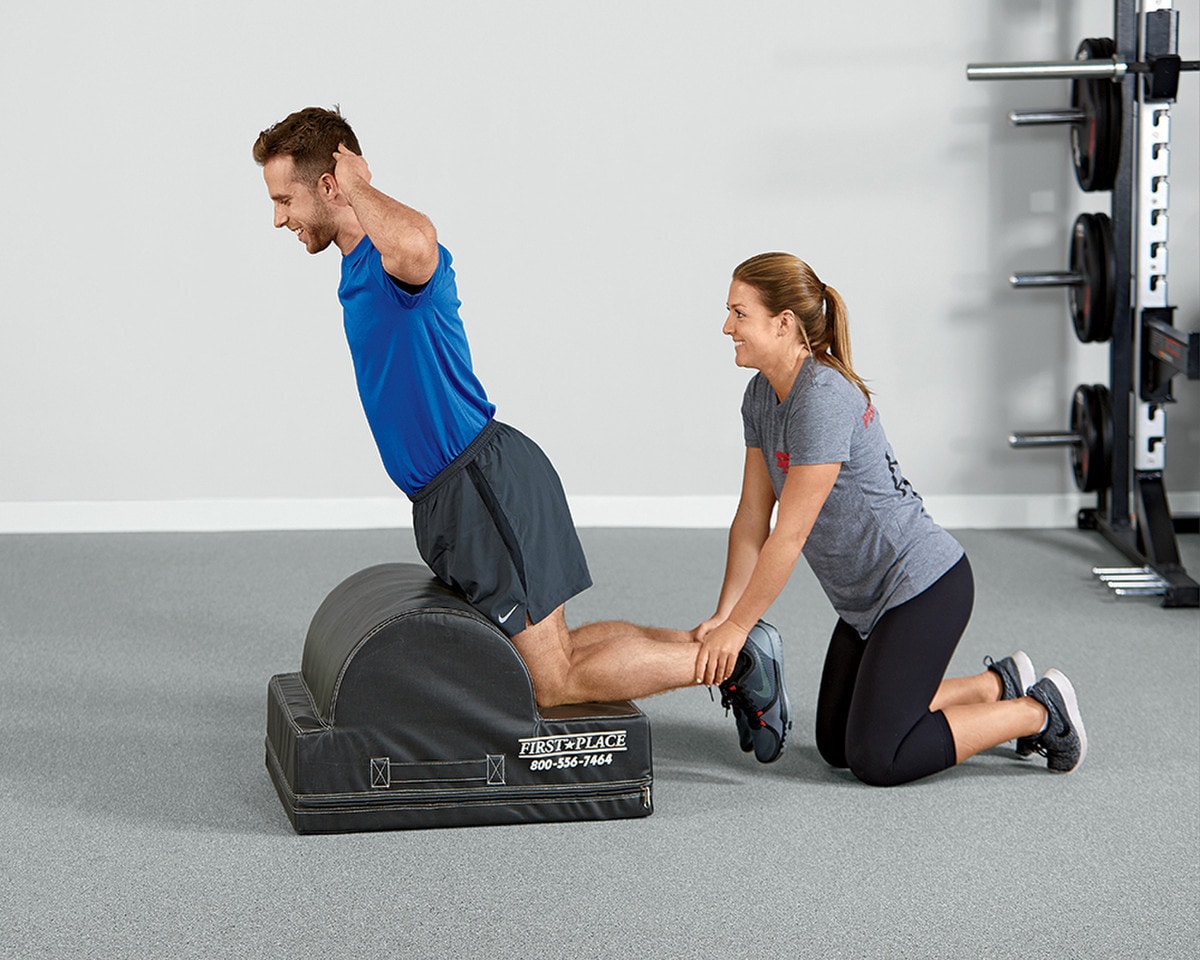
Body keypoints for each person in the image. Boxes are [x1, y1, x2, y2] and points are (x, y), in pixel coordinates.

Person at [250, 106, 790, 757]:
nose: (280, 217)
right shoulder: (362, 264)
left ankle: (737, 663)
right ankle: (732, 648)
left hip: (482, 489)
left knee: (550, 680)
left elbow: (421, 241)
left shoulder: (398, 261)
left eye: (286, 199)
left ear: (330, 185)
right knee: (559, 652)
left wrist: (357, 183)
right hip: (460, 496)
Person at [704, 252, 1087, 784]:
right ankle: (996, 685)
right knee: (837, 743)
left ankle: (1040, 710)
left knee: (878, 757)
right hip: (865, 603)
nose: (727, 327)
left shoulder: (821, 399)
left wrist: (740, 626)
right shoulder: (760, 397)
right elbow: (751, 517)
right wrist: (725, 619)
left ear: (783, 322)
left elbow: (787, 537)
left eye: (739, 313)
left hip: (922, 587)